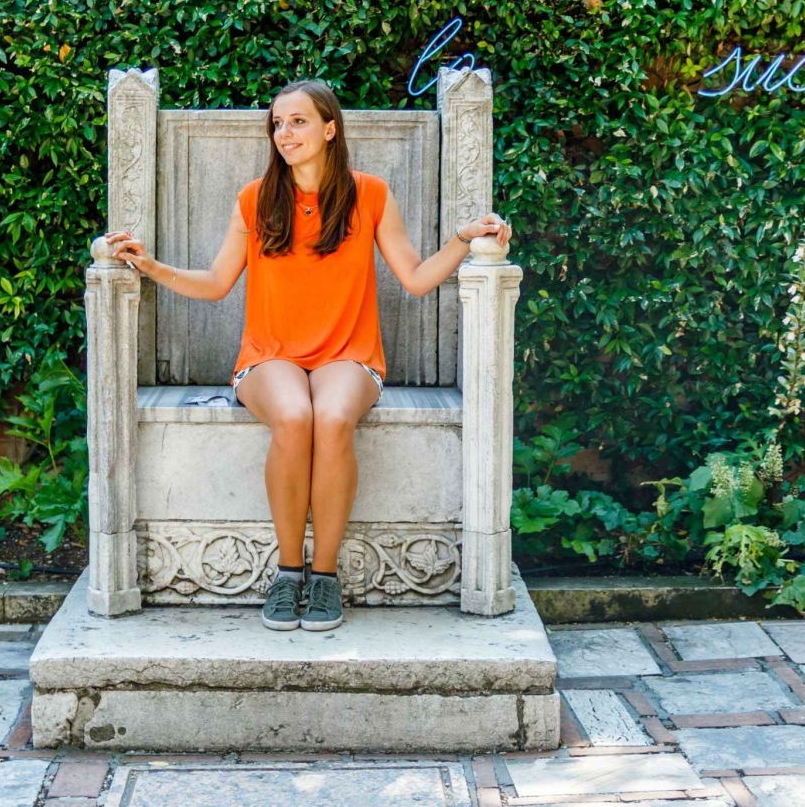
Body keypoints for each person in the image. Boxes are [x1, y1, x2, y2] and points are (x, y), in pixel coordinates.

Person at [102, 79, 513, 632]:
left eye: (297, 121)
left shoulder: (370, 194)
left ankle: (324, 577)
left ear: (329, 128)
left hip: (349, 354)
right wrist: (151, 266)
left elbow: (416, 279)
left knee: (334, 416)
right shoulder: (255, 198)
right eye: (277, 123)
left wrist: (463, 239)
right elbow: (217, 283)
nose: (284, 133)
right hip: (269, 357)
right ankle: (288, 571)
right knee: (295, 416)